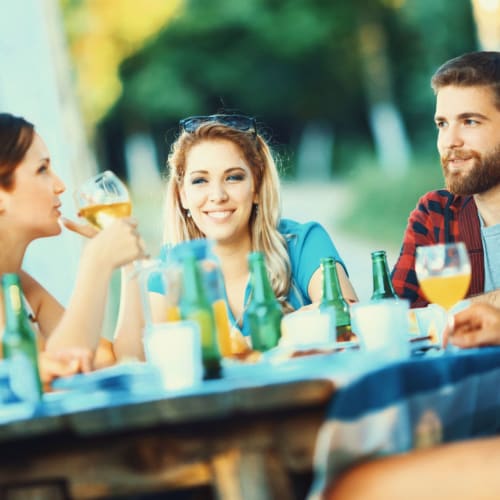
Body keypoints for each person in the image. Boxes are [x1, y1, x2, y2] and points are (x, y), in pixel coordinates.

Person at [114, 114, 357, 359]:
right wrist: (128, 263)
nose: (217, 195)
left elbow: (345, 316)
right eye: (200, 180)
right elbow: (132, 358)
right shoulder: (172, 263)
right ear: (183, 195)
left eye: (233, 177)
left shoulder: (304, 242)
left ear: (256, 187)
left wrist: (246, 344)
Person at [0, 112, 147, 382]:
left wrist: (128, 262)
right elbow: (65, 366)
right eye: (42, 169)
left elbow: (116, 359)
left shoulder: (21, 288)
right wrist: (96, 262)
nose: (60, 186)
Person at [392, 51, 500, 308]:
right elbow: (399, 317)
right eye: (442, 124)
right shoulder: (436, 214)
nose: (450, 141)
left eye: (469, 121)